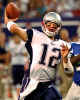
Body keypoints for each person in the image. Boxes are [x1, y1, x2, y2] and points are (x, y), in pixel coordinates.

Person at [4, 9, 71, 100]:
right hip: (33, 84)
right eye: (49, 24)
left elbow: (69, 72)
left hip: (48, 86)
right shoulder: (35, 35)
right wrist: (8, 21)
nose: (51, 27)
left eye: (54, 25)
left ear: (58, 27)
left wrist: (66, 59)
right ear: (44, 25)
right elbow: (15, 29)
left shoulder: (62, 45)